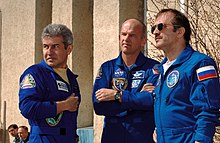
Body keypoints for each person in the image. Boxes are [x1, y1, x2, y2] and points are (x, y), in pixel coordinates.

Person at [151, 8, 220, 143]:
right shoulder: (163, 68)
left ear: (180, 32)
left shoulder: (200, 63)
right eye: (153, 28)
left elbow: (207, 109)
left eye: (161, 27)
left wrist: (201, 139)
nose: (155, 32)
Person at [92, 18, 160, 143]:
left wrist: (116, 95)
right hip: (112, 137)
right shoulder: (107, 68)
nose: (126, 39)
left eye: (132, 35)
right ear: (119, 38)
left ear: (143, 40)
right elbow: (98, 106)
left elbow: (151, 101)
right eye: (124, 34)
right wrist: (137, 98)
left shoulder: (154, 68)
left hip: (141, 137)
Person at [19, 24, 81, 143]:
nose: (49, 52)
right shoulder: (35, 74)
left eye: (55, 47)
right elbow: (27, 107)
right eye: (46, 47)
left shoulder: (71, 79)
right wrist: (63, 105)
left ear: (69, 49)